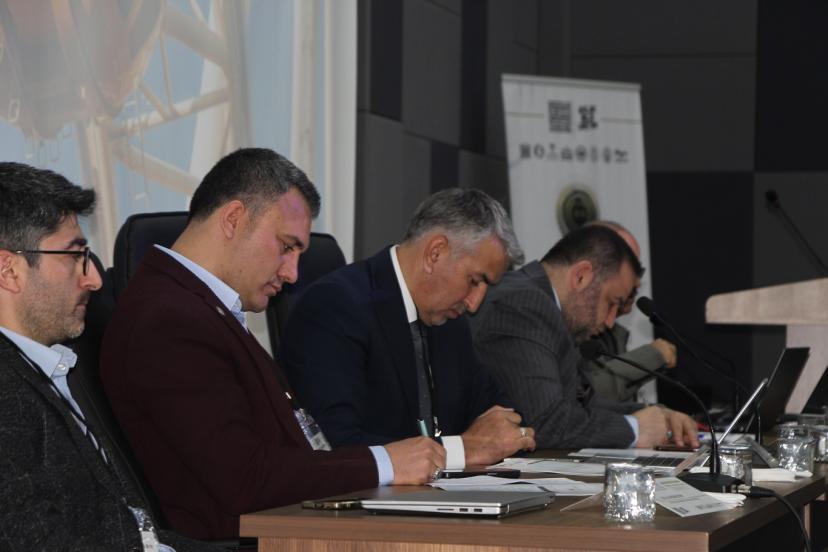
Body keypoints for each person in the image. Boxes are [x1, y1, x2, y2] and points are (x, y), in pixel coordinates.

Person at [100, 148, 445, 540]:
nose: (293, 273)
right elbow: (244, 478)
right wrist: (384, 463)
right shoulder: (168, 320)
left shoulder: (204, 309)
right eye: (286, 246)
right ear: (233, 219)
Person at [0, 162, 215, 551]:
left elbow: (132, 537)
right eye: (74, 256)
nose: (95, 280)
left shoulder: (41, 370)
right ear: (9, 270)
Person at [282, 188, 536, 471]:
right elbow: (336, 446)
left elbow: (505, 421)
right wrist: (461, 450)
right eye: (474, 281)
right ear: (435, 253)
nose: (474, 303)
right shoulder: (335, 306)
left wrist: (503, 436)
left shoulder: (450, 322)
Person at [468, 225, 699, 450]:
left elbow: (584, 406)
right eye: (612, 303)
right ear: (581, 276)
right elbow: (546, 423)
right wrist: (636, 429)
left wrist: (656, 415)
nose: (611, 321)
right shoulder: (525, 304)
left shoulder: (552, 311)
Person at [582, 221, 677, 402]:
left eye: (638, 270)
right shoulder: (571, 323)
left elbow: (617, 402)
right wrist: (653, 355)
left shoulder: (612, 331)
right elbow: (590, 393)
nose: (637, 282)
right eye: (630, 269)